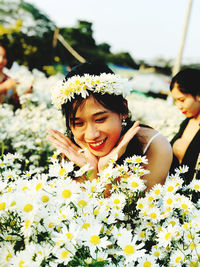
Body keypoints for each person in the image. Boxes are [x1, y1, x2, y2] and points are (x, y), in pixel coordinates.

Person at [48, 62, 172, 191]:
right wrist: (91, 170)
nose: (91, 135)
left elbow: (141, 209)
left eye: (100, 119)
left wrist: (104, 172)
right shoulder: (70, 152)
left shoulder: (154, 145)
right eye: (78, 123)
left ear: (123, 110)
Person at [169, 68, 200, 184]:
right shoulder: (186, 122)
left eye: (182, 100)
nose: (179, 106)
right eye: (175, 101)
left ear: (198, 94)